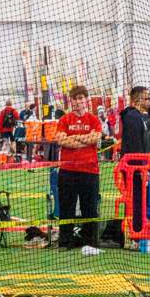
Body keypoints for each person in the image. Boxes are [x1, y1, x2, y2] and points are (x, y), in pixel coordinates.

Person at [54, 85, 102, 251]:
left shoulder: (94, 120)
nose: (78, 102)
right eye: (75, 99)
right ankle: (65, 242)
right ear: (71, 101)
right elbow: (61, 140)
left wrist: (74, 138)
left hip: (90, 171)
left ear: (86, 100)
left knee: (89, 209)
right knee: (66, 208)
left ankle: (90, 242)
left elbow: (94, 138)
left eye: (81, 98)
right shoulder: (64, 120)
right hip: (67, 172)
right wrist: (83, 140)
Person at [121, 86, 150, 155]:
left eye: (149, 98)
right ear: (137, 100)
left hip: (138, 161)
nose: (149, 101)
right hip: (134, 163)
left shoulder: (140, 116)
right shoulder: (133, 117)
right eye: (146, 99)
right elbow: (135, 146)